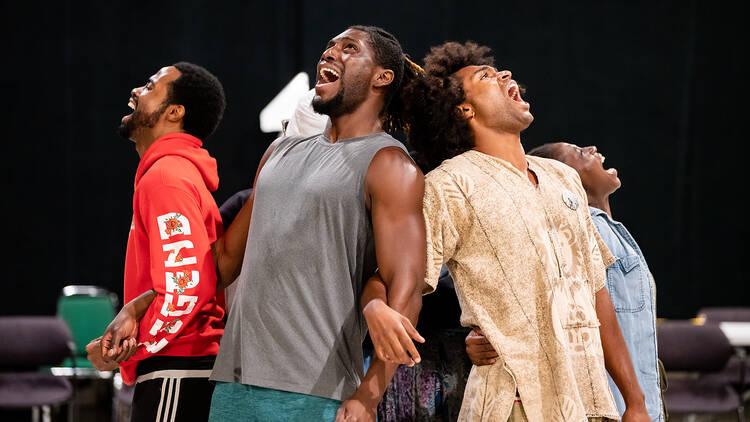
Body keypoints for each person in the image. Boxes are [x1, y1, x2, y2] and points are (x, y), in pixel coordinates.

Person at [368, 41, 650, 421]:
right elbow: (396, 278)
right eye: (487, 76)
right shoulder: (449, 184)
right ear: (463, 109)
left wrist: (634, 402)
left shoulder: (564, 178)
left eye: (500, 72)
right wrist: (373, 306)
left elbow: (598, 294)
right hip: (513, 404)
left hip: (591, 405)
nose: (505, 75)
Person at [208, 25, 427, 422]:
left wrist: (368, 396)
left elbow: (405, 291)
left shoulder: (391, 164)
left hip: (315, 394)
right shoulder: (278, 151)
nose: (328, 54)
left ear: (383, 76)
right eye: (328, 48)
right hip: (233, 385)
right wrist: (142, 306)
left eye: (348, 49)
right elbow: (223, 261)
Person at [85, 61, 227, 421]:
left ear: (174, 112)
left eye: (150, 86)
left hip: (178, 369)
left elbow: (184, 288)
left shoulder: (166, 177)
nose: (136, 90)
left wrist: (125, 349)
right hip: (181, 367)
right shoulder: (171, 172)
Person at [523, 142, 664, 421]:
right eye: (578, 152)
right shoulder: (578, 231)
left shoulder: (608, 229)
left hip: (636, 400)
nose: (592, 148)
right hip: (614, 403)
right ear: (564, 176)